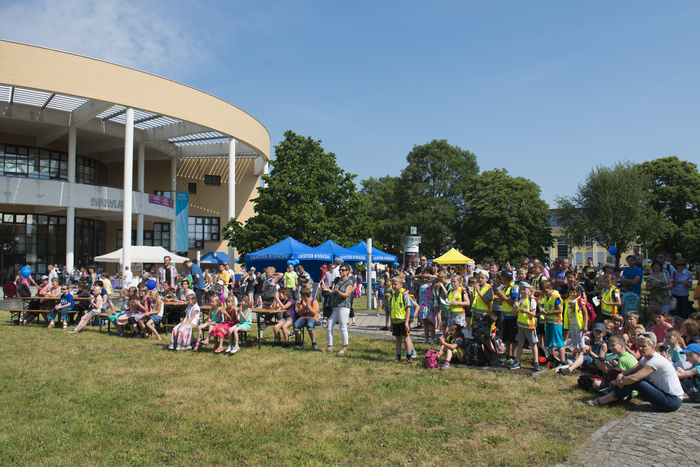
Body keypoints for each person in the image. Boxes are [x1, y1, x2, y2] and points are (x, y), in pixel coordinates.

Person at [587, 331, 684, 412]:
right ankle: (611, 397)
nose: (640, 349)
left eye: (644, 346)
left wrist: (617, 382)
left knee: (635, 380)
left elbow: (634, 378)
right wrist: (622, 374)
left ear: (652, 347)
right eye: (639, 346)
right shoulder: (647, 358)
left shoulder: (655, 360)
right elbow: (631, 370)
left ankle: (603, 400)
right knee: (632, 377)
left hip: (672, 401)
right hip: (665, 395)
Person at [322, 264, 354, 355]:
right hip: (335, 306)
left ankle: (344, 347)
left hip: (344, 307)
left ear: (348, 271)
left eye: (343, 270)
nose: (341, 271)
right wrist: (328, 291)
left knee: (343, 327)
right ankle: (329, 347)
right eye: (340, 270)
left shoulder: (349, 282)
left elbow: (346, 295)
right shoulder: (336, 280)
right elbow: (334, 292)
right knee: (329, 326)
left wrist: (338, 292)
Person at [509, 281, 540, 371]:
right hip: (520, 325)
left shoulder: (532, 300)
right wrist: (516, 307)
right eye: (521, 289)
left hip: (530, 326)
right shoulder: (518, 299)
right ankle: (517, 361)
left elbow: (534, 314)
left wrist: (526, 311)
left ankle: (536, 362)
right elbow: (514, 314)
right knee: (520, 344)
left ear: (529, 290)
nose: (522, 291)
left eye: (524, 289)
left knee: (533, 344)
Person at [388, 276, 415, 364]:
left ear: (401, 285)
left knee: (406, 339)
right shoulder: (392, 297)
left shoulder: (404, 295)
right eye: (392, 284)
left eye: (395, 284)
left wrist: (407, 322)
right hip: (396, 321)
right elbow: (391, 309)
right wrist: (391, 323)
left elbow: (408, 308)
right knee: (398, 339)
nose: (393, 286)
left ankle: (408, 357)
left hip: (403, 321)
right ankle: (398, 356)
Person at [540, 279, 565, 366]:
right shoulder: (547, 296)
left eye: (546, 291)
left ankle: (562, 360)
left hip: (556, 323)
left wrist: (548, 313)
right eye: (543, 292)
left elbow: (559, 310)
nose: (545, 293)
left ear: (550, 288)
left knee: (559, 342)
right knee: (550, 342)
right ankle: (552, 357)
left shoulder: (555, 297)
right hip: (549, 322)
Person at [496, 271, 519, 364]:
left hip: (513, 317)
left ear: (511, 279)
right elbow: (499, 302)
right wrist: (501, 297)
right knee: (507, 339)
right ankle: (508, 356)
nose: (504, 281)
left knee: (513, 339)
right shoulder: (504, 288)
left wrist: (503, 296)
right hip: (506, 316)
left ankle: (514, 356)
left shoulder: (514, 288)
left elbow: (513, 303)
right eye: (503, 279)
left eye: (506, 279)